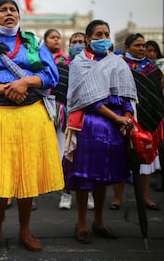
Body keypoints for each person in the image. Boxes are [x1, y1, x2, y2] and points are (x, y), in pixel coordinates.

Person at [0, 0, 64, 252]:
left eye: (13, 10)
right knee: (0, 175)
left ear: (19, 16)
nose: (9, 13)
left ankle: (25, 231)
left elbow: (52, 75)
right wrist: (7, 88)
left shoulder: (33, 42)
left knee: (26, 174)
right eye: (3, 10)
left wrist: (26, 83)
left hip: (31, 115)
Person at [63, 19, 138, 244]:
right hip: (90, 125)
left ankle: (98, 221)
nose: (103, 38)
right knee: (85, 176)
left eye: (106, 34)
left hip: (115, 130)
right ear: (88, 39)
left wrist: (127, 115)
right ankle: (82, 223)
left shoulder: (117, 62)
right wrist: (116, 117)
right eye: (98, 34)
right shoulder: (79, 63)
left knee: (103, 176)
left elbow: (126, 93)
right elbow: (84, 98)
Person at [110, 33, 164, 211]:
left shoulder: (153, 68)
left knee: (146, 157)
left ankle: (146, 197)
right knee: (123, 156)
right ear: (127, 47)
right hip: (126, 115)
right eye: (137, 45)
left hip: (147, 116)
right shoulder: (119, 65)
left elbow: (156, 92)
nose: (141, 49)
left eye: (143, 45)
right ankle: (117, 198)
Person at [54, 32, 94, 210]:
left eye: (81, 42)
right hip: (66, 118)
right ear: (69, 45)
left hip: (88, 118)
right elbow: (55, 91)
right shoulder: (60, 66)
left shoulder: (94, 65)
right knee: (66, 157)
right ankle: (66, 193)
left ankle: (90, 193)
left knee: (88, 157)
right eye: (74, 42)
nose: (77, 45)